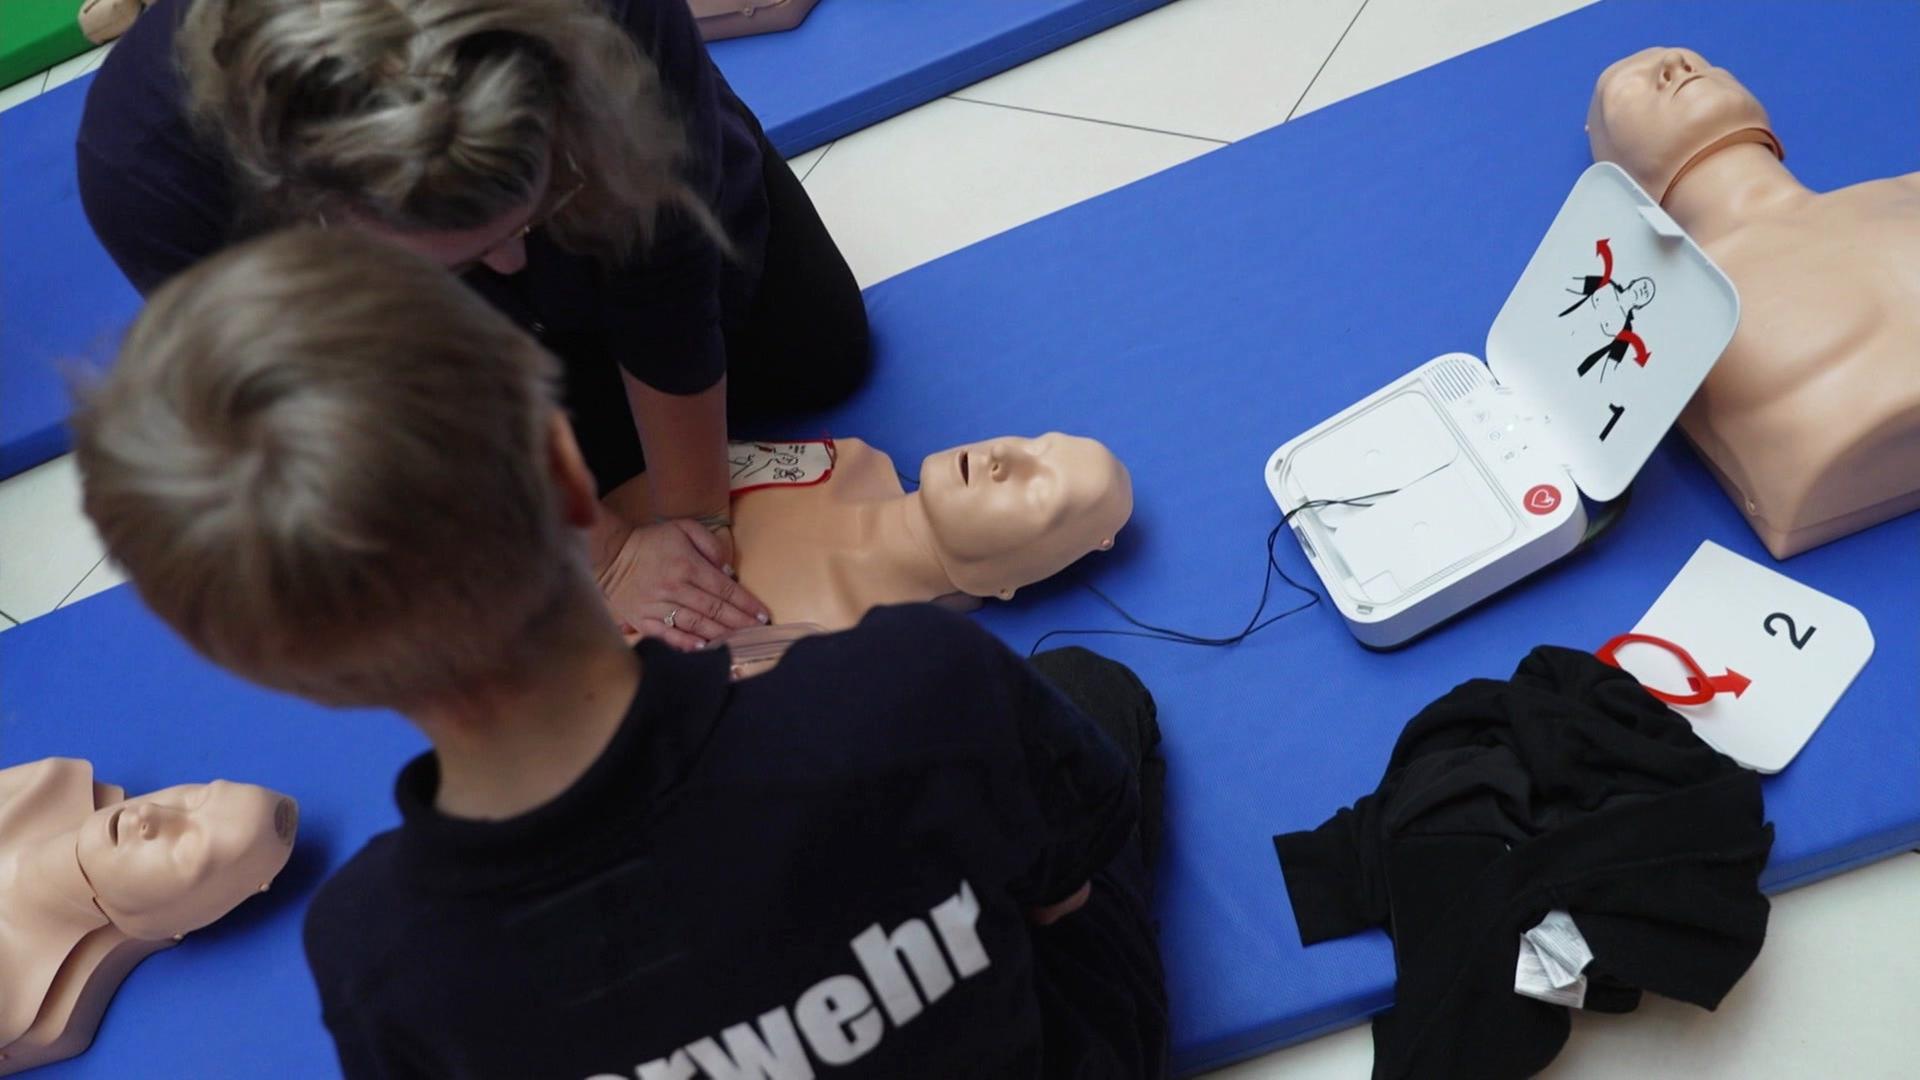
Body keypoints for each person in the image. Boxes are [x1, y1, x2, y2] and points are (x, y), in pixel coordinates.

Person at [71, 229, 1169, 1079]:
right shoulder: (918, 681)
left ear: (264, 667)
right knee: (1088, 692)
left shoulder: (377, 954)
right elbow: (1061, 902)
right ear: (566, 468)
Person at [76, 0, 871, 646]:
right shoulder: (146, 170)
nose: (515, 269)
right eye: (465, 258)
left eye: (530, 218)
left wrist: (695, 521)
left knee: (818, 357)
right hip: (389, 335)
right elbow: (354, 390)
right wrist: (607, 556)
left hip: (617, 153)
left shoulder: (611, 22)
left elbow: (669, 273)